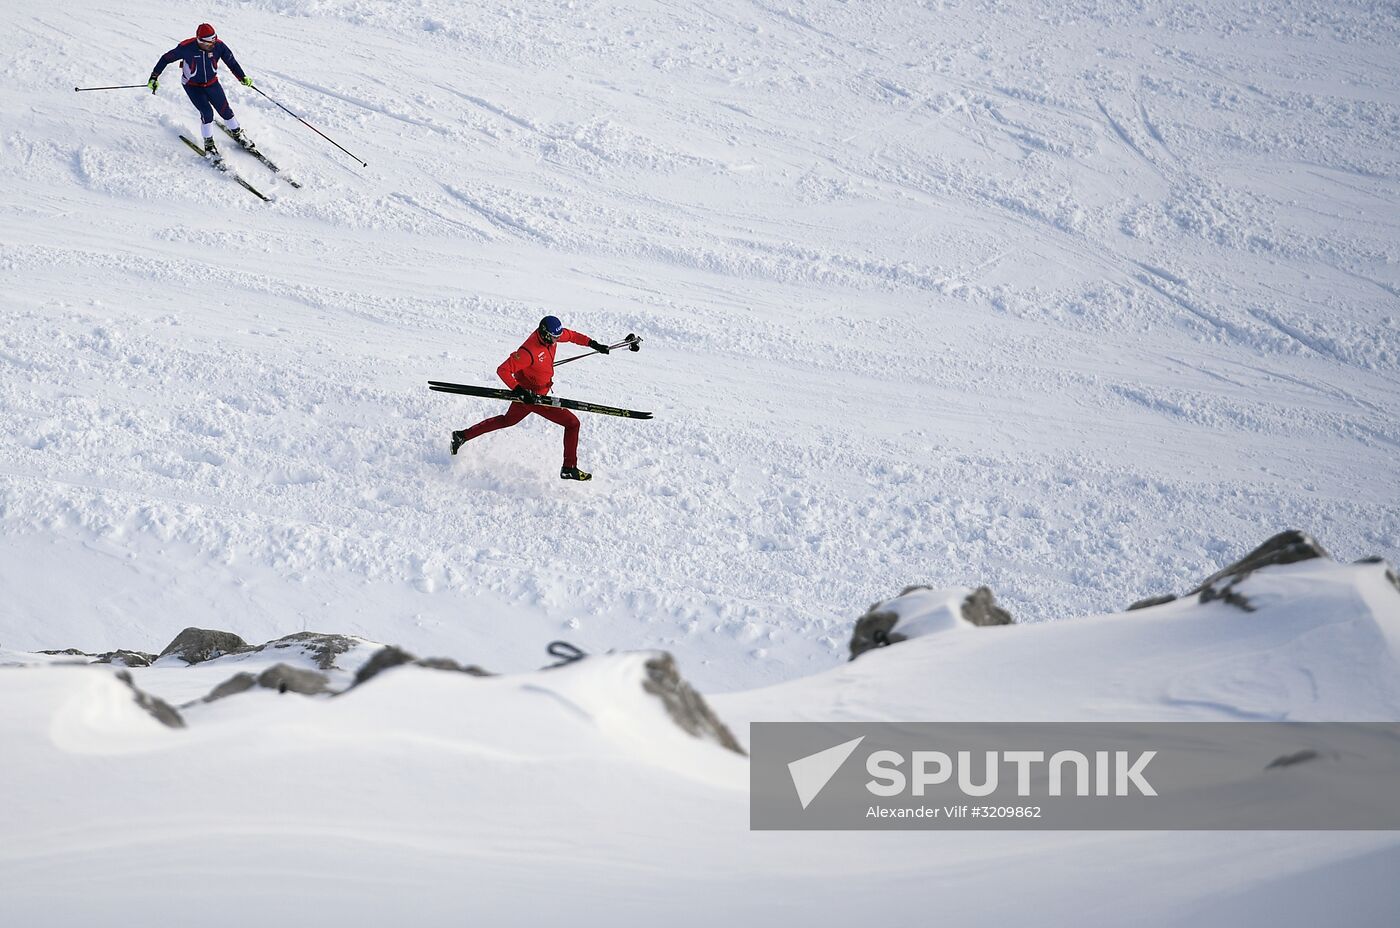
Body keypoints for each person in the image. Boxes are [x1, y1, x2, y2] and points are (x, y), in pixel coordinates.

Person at [452, 316, 612, 481]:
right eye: (554, 337)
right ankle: (569, 467)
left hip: (530, 396)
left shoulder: (551, 337)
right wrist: (520, 391)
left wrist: (593, 344)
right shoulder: (528, 351)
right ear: (545, 334)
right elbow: (503, 370)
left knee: (507, 420)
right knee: (572, 423)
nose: (558, 339)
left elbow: (571, 336)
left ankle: (462, 435)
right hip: (534, 398)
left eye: (558, 336)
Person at [148, 23, 256, 158]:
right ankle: (209, 145)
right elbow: (165, 59)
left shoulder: (219, 45)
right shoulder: (186, 48)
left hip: (212, 83)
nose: (213, 44)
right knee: (207, 113)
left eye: (214, 40)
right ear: (200, 40)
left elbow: (231, 62)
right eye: (209, 43)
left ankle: (237, 133)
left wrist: (242, 77)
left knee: (225, 110)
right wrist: (154, 77)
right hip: (192, 85)